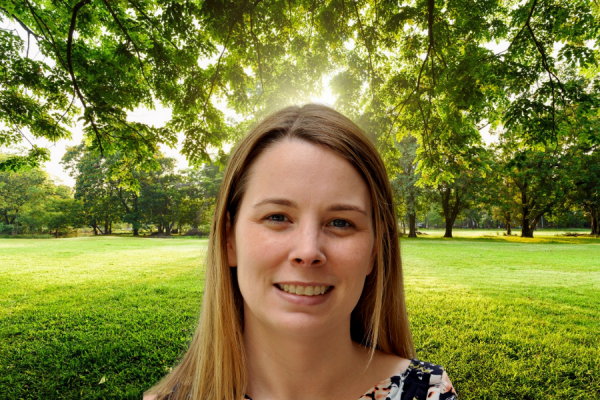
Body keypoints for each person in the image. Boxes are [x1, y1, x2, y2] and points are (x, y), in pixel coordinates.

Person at [144, 104, 457, 400]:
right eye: (277, 217)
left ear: (376, 250)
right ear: (229, 240)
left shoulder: (430, 393)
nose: (308, 252)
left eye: (340, 222)